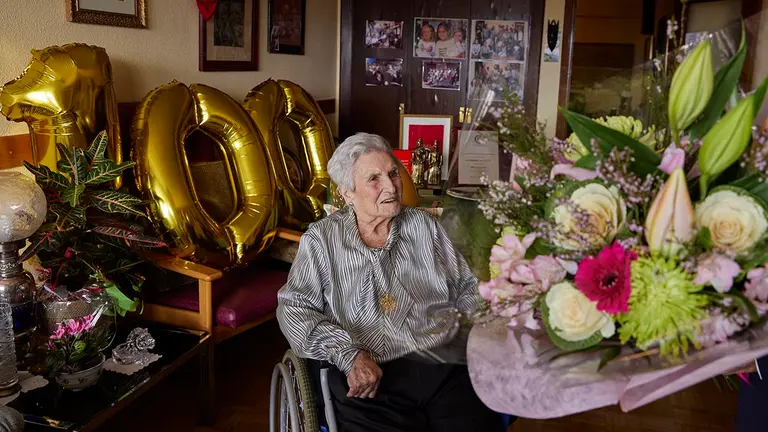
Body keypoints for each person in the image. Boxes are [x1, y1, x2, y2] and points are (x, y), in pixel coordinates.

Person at [276, 133, 504, 432]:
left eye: (393, 173)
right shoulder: (321, 240)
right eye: (374, 178)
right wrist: (349, 353)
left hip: (441, 365)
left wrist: (487, 328)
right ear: (347, 193)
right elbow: (294, 309)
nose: (391, 185)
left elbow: (466, 287)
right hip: (368, 376)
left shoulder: (426, 227)